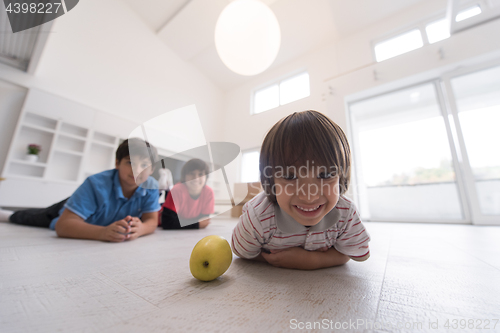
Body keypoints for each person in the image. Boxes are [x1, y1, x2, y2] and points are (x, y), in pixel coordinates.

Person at [231, 110, 370, 270]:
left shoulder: (346, 213)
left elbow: (351, 253)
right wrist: (278, 260)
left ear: (341, 177)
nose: (309, 196)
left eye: (325, 175)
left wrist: (314, 261)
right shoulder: (257, 217)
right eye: (290, 177)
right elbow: (242, 252)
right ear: (271, 181)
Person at [0, 138, 161, 242]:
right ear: (117, 163)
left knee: (36, 213)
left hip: (93, 212)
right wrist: (103, 233)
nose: (137, 170)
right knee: (31, 217)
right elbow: (63, 226)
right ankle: (7, 214)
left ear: (152, 169)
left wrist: (141, 230)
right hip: (68, 211)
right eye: (130, 162)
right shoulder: (96, 184)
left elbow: (151, 221)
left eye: (144, 165)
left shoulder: (152, 186)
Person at [159, 158, 214, 229]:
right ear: (184, 176)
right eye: (191, 173)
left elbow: (204, 221)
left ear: (206, 177)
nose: (196, 178)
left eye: (200, 174)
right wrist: (196, 224)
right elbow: (167, 222)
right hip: (160, 217)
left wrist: (195, 223)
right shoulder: (176, 190)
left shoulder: (208, 192)